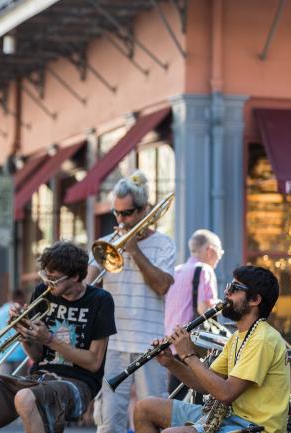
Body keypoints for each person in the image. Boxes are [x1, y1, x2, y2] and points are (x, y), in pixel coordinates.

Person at [0, 241, 116, 433]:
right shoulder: (43, 292)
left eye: (54, 279)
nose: (47, 283)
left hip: (78, 385)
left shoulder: (101, 300)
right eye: (45, 276)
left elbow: (94, 362)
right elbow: (36, 356)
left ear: (75, 276)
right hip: (38, 378)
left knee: (25, 397)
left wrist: (51, 340)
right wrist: (24, 333)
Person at [134, 265, 290, 433]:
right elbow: (202, 384)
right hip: (230, 418)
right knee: (144, 409)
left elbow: (226, 393)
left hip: (255, 427)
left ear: (255, 300)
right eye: (228, 287)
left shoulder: (263, 339)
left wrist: (189, 355)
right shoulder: (238, 337)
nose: (227, 293)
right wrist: (171, 362)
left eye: (235, 289)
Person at [88, 171, 176, 433]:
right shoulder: (105, 243)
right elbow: (87, 286)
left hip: (150, 343)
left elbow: (162, 285)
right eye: (116, 213)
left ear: (144, 209)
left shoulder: (164, 244)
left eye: (127, 213)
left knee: (152, 416)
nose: (121, 220)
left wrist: (134, 251)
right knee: (109, 419)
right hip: (113, 343)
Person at [165, 229, 223, 399]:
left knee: (176, 398)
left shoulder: (175, 271)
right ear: (210, 250)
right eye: (219, 253)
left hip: (172, 342)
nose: (219, 258)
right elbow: (204, 309)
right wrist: (220, 304)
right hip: (192, 345)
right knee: (196, 399)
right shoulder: (205, 269)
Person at [0, 288, 30, 375]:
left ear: (9, 298)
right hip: (21, 356)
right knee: (18, 386)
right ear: (21, 298)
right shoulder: (25, 313)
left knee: (3, 386)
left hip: (2, 356)